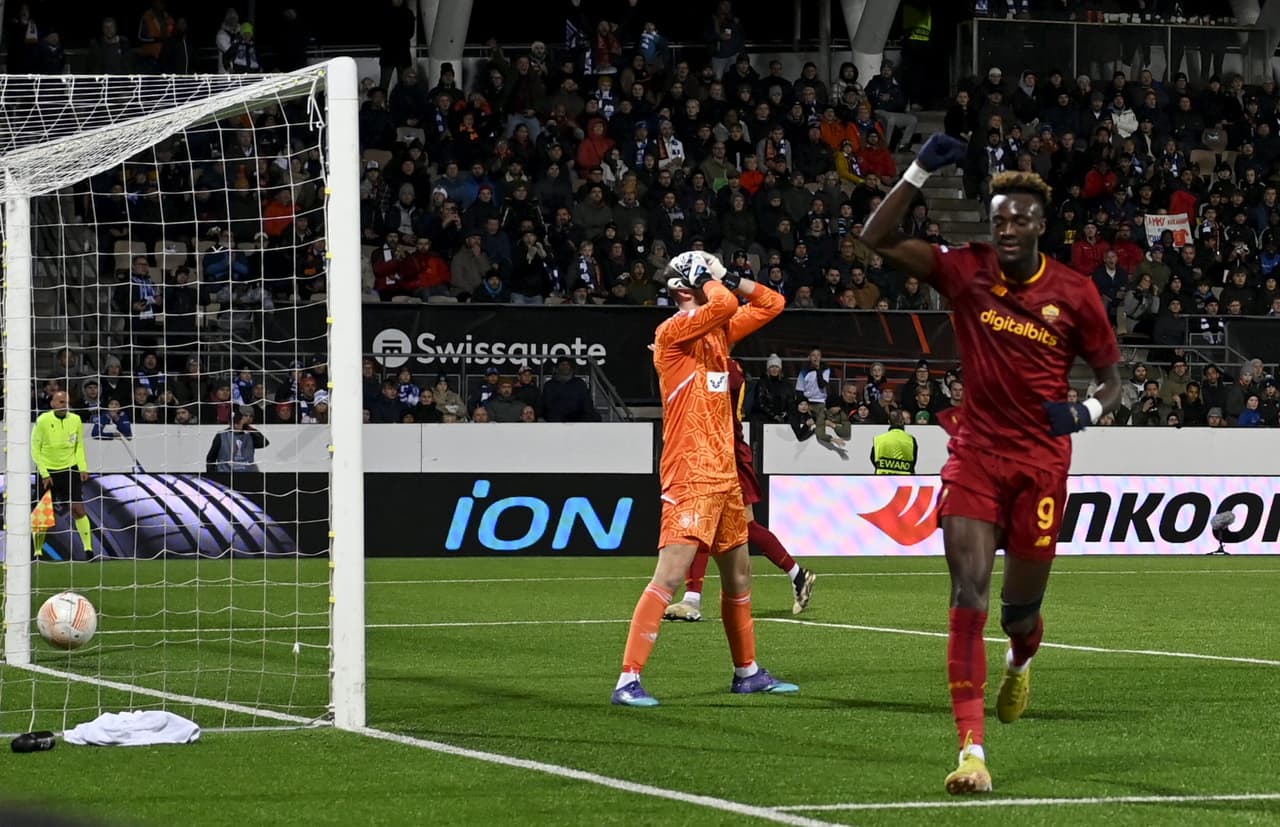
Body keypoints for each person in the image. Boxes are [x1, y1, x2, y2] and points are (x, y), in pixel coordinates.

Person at [861, 138, 1123, 795]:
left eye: (1019, 219)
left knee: (1017, 613)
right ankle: (971, 750)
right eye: (998, 217)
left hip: (1041, 464)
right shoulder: (965, 270)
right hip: (974, 454)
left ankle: (1022, 657)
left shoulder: (1076, 292)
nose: (1006, 228)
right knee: (967, 592)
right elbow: (875, 237)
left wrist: (1086, 413)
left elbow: (1114, 378)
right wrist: (920, 169)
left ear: (1042, 226)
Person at [612, 250, 796, 707]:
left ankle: (747, 672)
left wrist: (730, 276)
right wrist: (714, 282)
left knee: (739, 574)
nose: (716, 286)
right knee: (671, 575)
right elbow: (725, 305)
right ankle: (627, 680)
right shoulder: (671, 334)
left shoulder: (718, 333)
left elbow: (772, 303)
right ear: (683, 289)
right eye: (704, 280)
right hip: (690, 472)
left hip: (724, 473)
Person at [664, 357, 817, 622]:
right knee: (737, 527)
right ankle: (798, 575)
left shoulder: (726, 367)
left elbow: (706, 401)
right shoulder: (713, 364)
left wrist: (674, 361)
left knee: (705, 524)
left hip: (727, 453)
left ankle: (692, 600)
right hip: (715, 452)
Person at [31, 390, 94, 559]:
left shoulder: (75, 420)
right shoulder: (43, 420)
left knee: (79, 509)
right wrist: (44, 473)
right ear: (52, 404)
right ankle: (37, 550)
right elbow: (35, 449)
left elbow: (79, 446)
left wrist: (82, 467)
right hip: (49, 472)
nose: (64, 405)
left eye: (66, 402)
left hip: (70, 469)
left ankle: (88, 550)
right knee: (43, 512)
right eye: (60, 402)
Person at [205, 407, 270, 473]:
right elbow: (211, 458)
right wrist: (213, 475)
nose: (237, 425)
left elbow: (264, 442)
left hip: (248, 475)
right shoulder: (221, 436)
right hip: (226, 474)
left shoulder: (250, 435)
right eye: (235, 422)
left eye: (239, 421)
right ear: (230, 423)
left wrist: (247, 427)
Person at [871, 409, 918, 474]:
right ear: (903, 421)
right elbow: (913, 462)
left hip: (882, 480)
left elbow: (873, 458)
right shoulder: (911, 439)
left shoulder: (879, 439)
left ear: (889, 422)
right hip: (904, 480)